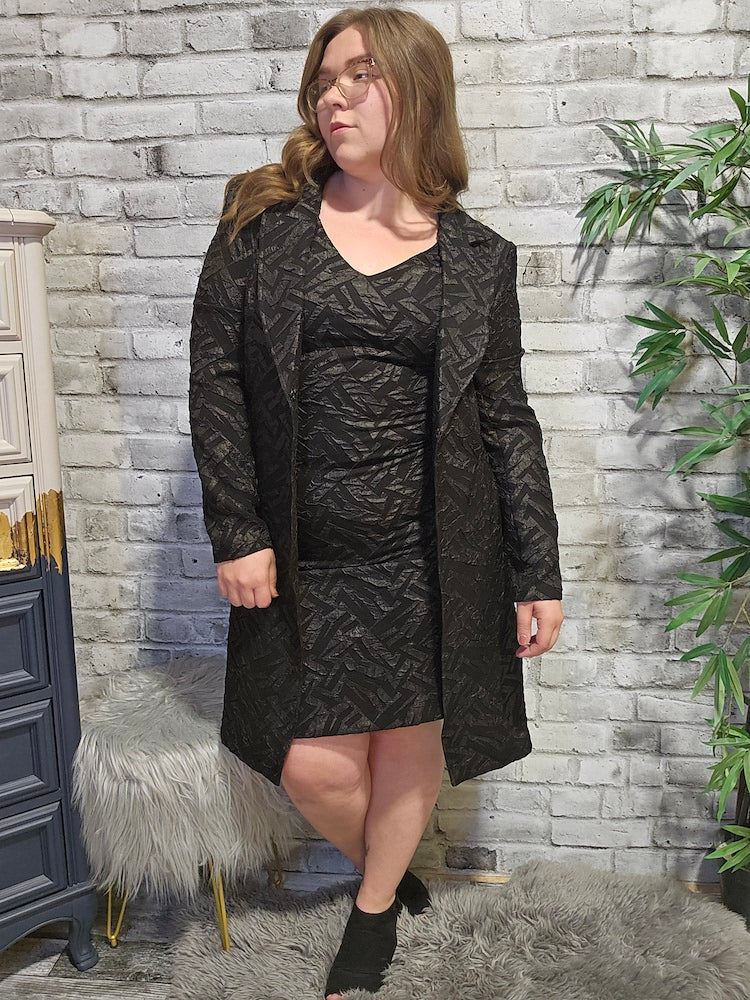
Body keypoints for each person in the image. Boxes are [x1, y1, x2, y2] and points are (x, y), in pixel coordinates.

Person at [188, 6, 564, 998]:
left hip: (433, 553)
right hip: (301, 552)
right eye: (324, 80)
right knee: (306, 759)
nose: (334, 96)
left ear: (417, 88)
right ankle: (389, 876)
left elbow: (506, 421)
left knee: (409, 736)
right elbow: (215, 382)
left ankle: (373, 910)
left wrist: (538, 572)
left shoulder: (478, 259)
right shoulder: (260, 227)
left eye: (360, 75)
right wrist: (237, 529)